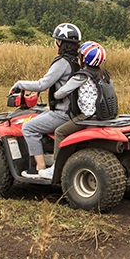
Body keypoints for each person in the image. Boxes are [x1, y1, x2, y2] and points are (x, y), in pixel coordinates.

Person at [14, 23, 81, 180]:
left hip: (64, 113)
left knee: (29, 127)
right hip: (76, 110)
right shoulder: (79, 60)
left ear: (59, 42)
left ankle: (39, 168)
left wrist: (19, 84)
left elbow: (42, 85)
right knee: (41, 113)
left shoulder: (62, 62)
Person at [49, 41, 116, 166]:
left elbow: (63, 92)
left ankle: (56, 166)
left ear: (84, 59)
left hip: (88, 116)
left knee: (59, 132)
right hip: (104, 115)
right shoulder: (105, 75)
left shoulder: (82, 76)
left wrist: (55, 95)